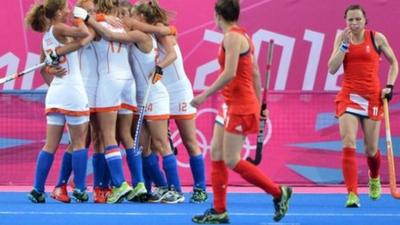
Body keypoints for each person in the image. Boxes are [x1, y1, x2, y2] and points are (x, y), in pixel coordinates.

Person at [191, 0, 292, 223]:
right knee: (216, 153)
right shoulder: (243, 35)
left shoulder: (233, 37)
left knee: (231, 159)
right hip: (230, 103)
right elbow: (255, 73)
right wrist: (260, 104)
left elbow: (229, 73)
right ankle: (219, 210)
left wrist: (203, 95)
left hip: (240, 104)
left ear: (217, 15)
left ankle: (278, 192)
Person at [135, 0, 207, 204]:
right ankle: (160, 188)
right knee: (157, 143)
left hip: (179, 91)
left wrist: (159, 67)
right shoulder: (147, 34)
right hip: (162, 92)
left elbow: (173, 55)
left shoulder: (160, 30)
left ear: (142, 17)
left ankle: (200, 188)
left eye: (134, 16)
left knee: (190, 141)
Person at [328, 4, 398, 207]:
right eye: (350, 20)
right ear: (346, 21)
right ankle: (352, 194)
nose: (354, 23)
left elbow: (394, 62)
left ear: (365, 20)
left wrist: (390, 86)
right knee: (348, 142)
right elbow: (332, 69)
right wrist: (343, 47)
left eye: (358, 19)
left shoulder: (377, 37)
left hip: (372, 98)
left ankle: (374, 177)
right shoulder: (342, 38)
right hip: (348, 96)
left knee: (371, 149)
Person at [25, 0, 92, 203]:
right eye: (66, 9)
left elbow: (42, 67)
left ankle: (37, 189)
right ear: (59, 12)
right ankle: (79, 188)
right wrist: (82, 18)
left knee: (50, 145)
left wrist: (54, 79)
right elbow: (85, 34)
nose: (69, 10)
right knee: (78, 142)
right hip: (73, 91)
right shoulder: (59, 27)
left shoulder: (46, 37)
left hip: (56, 92)